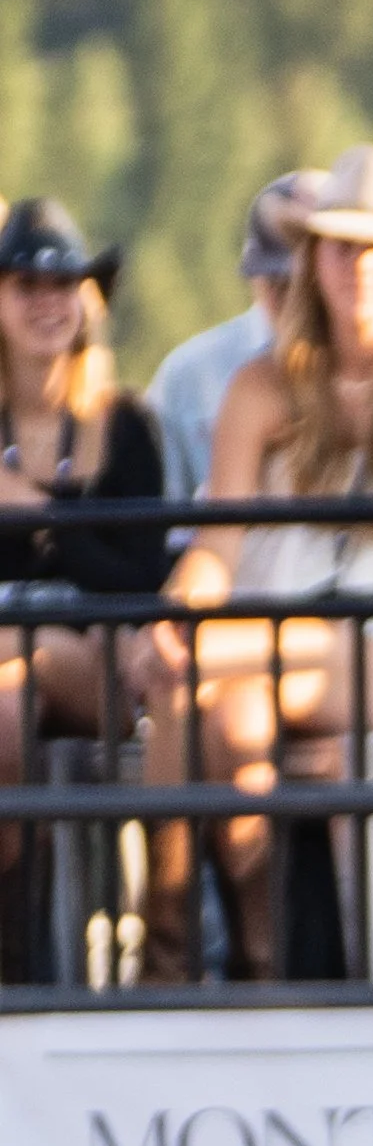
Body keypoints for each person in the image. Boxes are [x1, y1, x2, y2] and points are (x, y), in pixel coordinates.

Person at [145, 144, 373, 974]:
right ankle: (262, 952)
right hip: (259, 632)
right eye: (342, 246)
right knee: (226, 716)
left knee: (182, 663)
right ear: (313, 259)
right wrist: (182, 603)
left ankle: (163, 945)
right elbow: (217, 546)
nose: (362, 268)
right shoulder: (260, 385)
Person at [0, 198, 169, 803]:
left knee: (22, 659)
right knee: (6, 709)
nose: (48, 302)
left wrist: (41, 514)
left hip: (105, 668)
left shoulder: (125, 426)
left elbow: (142, 580)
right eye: (27, 285)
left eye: (64, 284)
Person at [143, 172, 324, 502]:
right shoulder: (189, 373)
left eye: (300, 283)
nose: (286, 296)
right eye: (273, 280)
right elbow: (160, 505)